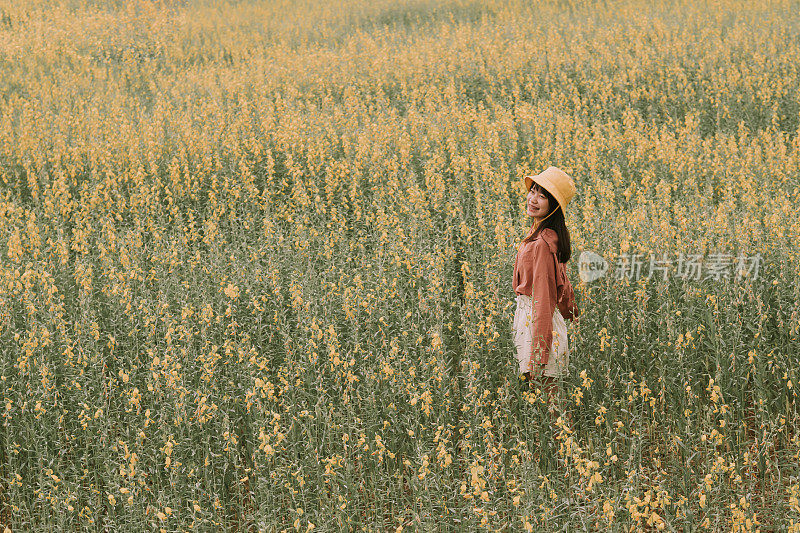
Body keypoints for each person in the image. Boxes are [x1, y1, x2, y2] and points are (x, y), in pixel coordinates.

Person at [511, 166, 579, 400]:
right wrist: (571, 312)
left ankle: (565, 438)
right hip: (536, 322)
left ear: (554, 206)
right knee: (544, 400)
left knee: (551, 403)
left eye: (542, 196)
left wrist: (539, 353)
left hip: (538, 325)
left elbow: (543, 299)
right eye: (534, 191)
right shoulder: (546, 235)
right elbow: (562, 283)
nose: (533, 199)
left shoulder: (541, 243)